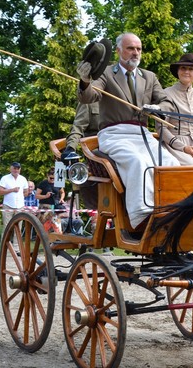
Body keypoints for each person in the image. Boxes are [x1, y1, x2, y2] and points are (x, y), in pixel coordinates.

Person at [76, 32, 179, 228]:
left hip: (143, 135)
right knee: (137, 162)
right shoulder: (105, 73)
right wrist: (85, 81)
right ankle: (142, 217)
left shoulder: (149, 77)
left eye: (138, 49)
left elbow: (168, 103)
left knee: (170, 162)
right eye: (131, 48)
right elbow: (89, 97)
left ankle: (172, 211)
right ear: (118, 51)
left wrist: (159, 109)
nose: (135, 53)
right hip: (114, 135)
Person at [0, 162, 29, 232]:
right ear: (11, 169)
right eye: (14, 168)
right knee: (7, 226)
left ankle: (16, 243)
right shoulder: (5, 178)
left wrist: (19, 196)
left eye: (18, 169)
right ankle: (5, 242)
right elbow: (0, 191)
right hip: (8, 205)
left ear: (20, 169)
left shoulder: (23, 179)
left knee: (18, 227)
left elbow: (26, 192)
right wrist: (12, 190)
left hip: (20, 206)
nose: (16, 170)